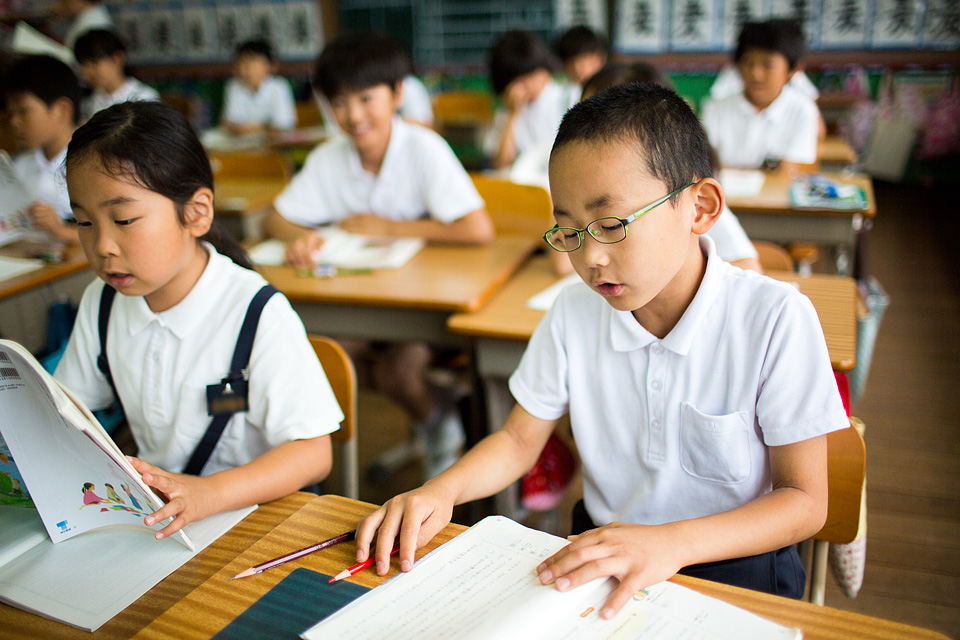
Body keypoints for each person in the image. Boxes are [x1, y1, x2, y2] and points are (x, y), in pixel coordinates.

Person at [355, 83, 848, 618]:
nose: (589, 258)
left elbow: (805, 501)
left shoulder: (775, 318)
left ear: (699, 207)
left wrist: (670, 544)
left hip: (734, 564)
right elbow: (519, 440)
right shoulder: (573, 312)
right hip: (605, 552)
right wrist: (441, 491)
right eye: (568, 231)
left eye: (611, 226)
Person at [54, 102, 342, 541]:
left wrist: (210, 493)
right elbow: (69, 409)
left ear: (197, 212)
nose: (103, 245)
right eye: (85, 222)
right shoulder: (103, 301)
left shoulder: (256, 312)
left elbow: (314, 453)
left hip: (259, 520)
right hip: (163, 520)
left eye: (124, 219)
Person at [262, 31, 493, 480]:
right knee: (324, 359)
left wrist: (390, 227)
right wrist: (301, 237)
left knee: (396, 373)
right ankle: (433, 413)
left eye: (366, 99)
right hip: (360, 301)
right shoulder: (329, 157)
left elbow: (476, 228)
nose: (353, 116)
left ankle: (438, 423)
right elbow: (276, 218)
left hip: (423, 306)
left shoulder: (423, 149)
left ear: (397, 94)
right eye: (339, 102)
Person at [701, 19, 820, 172]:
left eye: (768, 65)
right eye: (748, 63)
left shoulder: (803, 110)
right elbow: (703, 166)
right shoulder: (715, 109)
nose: (756, 74)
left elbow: (791, 169)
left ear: (793, 70)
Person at [3, 55, 81, 244]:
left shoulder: (93, 164)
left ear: (61, 110)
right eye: (11, 113)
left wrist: (62, 230)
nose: (14, 122)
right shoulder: (19, 166)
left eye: (23, 111)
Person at [486, 30, 580, 170]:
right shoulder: (508, 112)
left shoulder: (570, 98)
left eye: (523, 79)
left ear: (541, 71)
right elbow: (501, 164)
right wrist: (512, 114)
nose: (517, 89)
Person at [74, 29, 159, 121]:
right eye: (84, 65)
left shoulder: (144, 97)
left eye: (94, 64)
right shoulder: (91, 101)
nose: (89, 72)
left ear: (117, 58)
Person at [221, 39, 297, 135]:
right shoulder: (233, 86)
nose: (248, 69)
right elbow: (228, 123)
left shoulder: (279, 87)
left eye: (254, 62)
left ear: (270, 66)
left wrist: (257, 128)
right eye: (243, 62)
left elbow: (284, 125)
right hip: (242, 141)